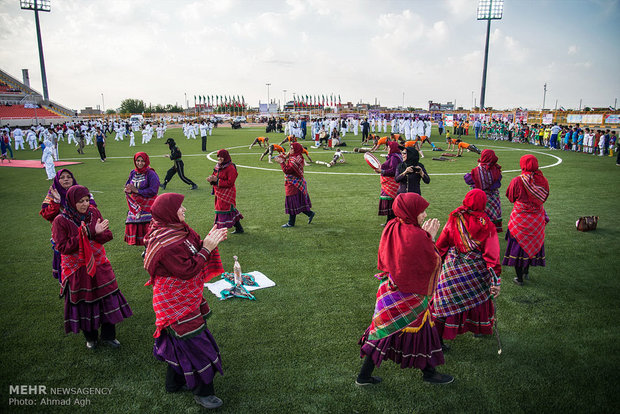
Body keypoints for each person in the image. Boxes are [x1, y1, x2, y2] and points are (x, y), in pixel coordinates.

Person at [357, 193, 453, 386]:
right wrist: (430, 239)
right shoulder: (416, 236)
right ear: (411, 212)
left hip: (390, 289)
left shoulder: (393, 225)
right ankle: (428, 373)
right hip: (409, 294)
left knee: (384, 332)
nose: (425, 215)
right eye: (421, 211)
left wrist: (425, 237)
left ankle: (365, 376)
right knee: (408, 331)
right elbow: (430, 263)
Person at [144, 193, 227, 409]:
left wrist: (208, 241)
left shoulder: (178, 228)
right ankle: (203, 393)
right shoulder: (165, 242)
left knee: (180, 339)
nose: (184, 210)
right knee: (196, 341)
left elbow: (193, 249)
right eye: (180, 207)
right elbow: (187, 269)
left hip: (187, 295)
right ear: (169, 212)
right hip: (174, 299)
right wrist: (207, 248)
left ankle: (174, 383)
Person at [52, 185, 132, 349]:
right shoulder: (61, 220)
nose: (85, 204)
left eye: (87, 200)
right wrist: (89, 232)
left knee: (107, 297)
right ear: (71, 202)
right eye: (80, 201)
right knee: (85, 303)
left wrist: (97, 232)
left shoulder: (93, 213)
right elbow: (62, 247)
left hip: (99, 263)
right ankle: (91, 338)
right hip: (78, 269)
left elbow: (107, 235)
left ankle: (109, 335)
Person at [432, 189, 501, 343]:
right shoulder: (487, 225)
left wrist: (437, 260)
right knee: (479, 298)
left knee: (444, 299)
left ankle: (438, 340)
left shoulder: (456, 218)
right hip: (476, 270)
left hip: (453, 266)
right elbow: (492, 255)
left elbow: (442, 243)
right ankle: (478, 329)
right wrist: (495, 280)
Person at [503, 155, 549, 285]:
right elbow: (544, 197)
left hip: (520, 219)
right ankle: (526, 272)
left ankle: (519, 278)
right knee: (532, 244)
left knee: (518, 246)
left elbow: (511, 197)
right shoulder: (543, 180)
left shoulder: (518, 180)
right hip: (536, 219)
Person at [124, 152, 160, 249]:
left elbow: (154, 190)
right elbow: (128, 184)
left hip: (149, 203)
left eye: (142, 161)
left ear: (146, 161)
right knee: (138, 226)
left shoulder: (151, 173)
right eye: (138, 161)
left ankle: (150, 247)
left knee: (149, 227)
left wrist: (137, 190)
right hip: (136, 204)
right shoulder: (133, 173)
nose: (140, 163)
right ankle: (146, 247)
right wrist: (127, 189)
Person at [276, 142, 315, 228]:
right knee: (298, 201)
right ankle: (310, 213)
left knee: (292, 201)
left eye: (292, 148)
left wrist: (281, 162)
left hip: (293, 183)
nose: (290, 150)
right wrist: (283, 157)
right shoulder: (298, 156)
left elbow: (287, 170)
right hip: (299, 182)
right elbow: (289, 157)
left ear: (296, 149)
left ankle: (291, 223)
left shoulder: (294, 160)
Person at [464, 149, 503, 232]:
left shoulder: (477, 171)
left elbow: (468, 179)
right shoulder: (496, 170)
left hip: (480, 199)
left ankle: (480, 230)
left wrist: (479, 167)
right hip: (493, 199)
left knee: (479, 216)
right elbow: (498, 181)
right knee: (492, 217)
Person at [206, 149, 244, 234]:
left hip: (227, 192)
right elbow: (214, 175)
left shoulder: (230, 167)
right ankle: (239, 228)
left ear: (225, 157)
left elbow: (230, 182)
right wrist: (211, 179)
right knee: (229, 209)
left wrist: (217, 180)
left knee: (222, 210)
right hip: (219, 192)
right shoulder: (218, 166)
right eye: (218, 156)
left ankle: (219, 232)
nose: (219, 158)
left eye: (221, 157)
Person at [375, 142, 402, 223]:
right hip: (391, 183)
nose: (388, 149)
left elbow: (393, 171)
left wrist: (381, 171)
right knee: (391, 202)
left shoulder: (394, 157)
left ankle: (391, 222)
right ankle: (390, 221)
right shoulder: (396, 156)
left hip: (391, 183)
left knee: (390, 202)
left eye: (389, 148)